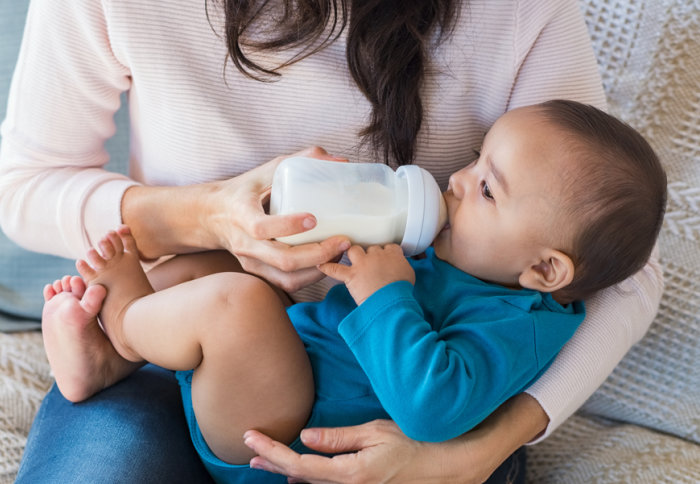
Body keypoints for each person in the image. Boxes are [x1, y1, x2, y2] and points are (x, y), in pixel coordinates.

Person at [0, 1, 664, 482]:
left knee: (232, 301)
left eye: (485, 181)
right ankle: (116, 341)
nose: (456, 180)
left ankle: (121, 321)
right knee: (208, 274)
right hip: (210, 355)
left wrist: (476, 451)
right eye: (473, 159)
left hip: (336, 421)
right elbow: (22, 185)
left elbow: (616, 266)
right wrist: (205, 214)